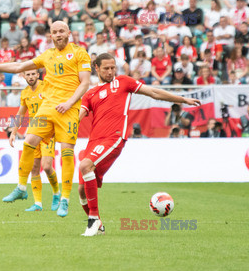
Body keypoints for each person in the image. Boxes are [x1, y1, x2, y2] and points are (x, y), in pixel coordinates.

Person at [78, 53, 201, 236]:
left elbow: (153, 92)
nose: (111, 71)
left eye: (113, 67)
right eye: (106, 68)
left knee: (85, 165)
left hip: (114, 137)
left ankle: (93, 220)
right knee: (81, 190)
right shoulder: (90, 94)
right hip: (94, 141)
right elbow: (77, 117)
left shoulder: (123, 82)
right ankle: (99, 225)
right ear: (96, 68)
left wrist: (182, 99)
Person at [0, 21, 91, 217]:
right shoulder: (47, 55)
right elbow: (19, 66)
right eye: (54, 32)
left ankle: (64, 198)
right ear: (50, 35)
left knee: (66, 152)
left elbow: (85, 83)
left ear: (69, 33)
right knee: (29, 141)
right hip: (48, 107)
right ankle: (22, 188)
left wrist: (70, 102)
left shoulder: (80, 53)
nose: (58, 35)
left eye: (61, 31)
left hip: (69, 109)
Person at [8, 69, 60, 212]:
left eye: (33, 74)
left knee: (47, 166)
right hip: (33, 133)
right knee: (34, 168)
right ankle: (38, 204)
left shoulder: (47, 86)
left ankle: (57, 193)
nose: (30, 77)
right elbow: (21, 113)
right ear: (23, 76)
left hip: (47, 132)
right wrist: (13, 132)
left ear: (38, 74)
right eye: (28, 74)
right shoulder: (25, 93)